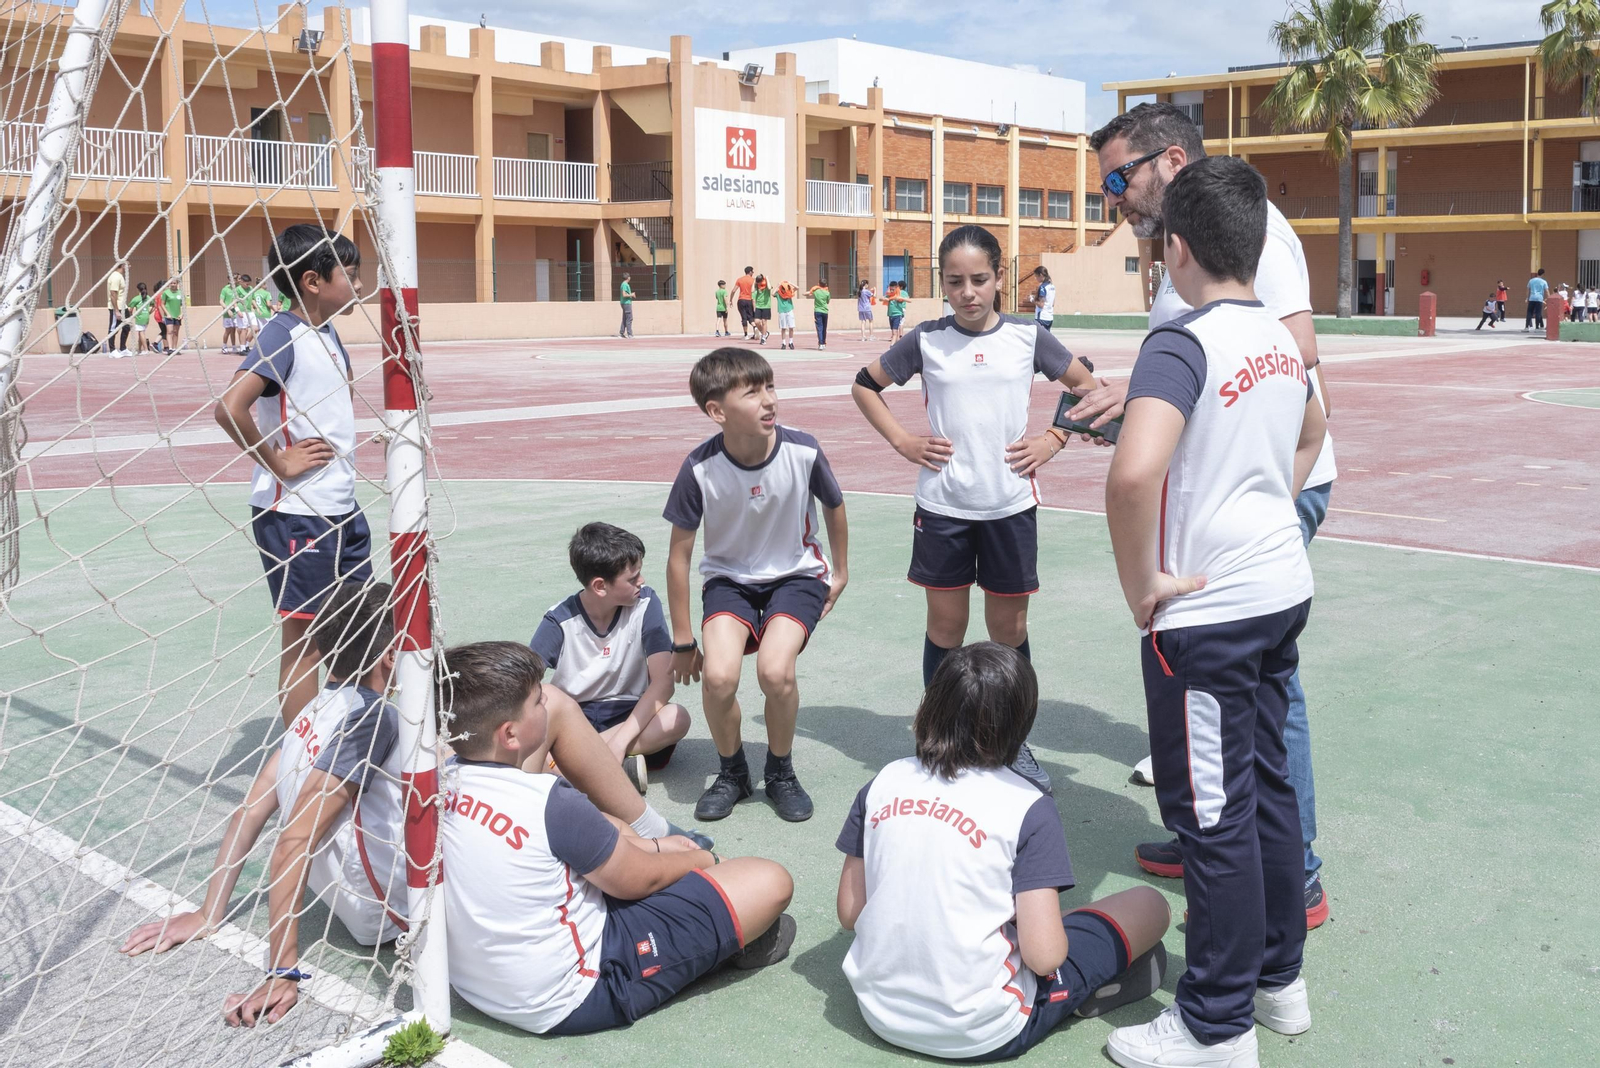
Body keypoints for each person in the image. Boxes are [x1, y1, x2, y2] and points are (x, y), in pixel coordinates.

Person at [1083, 102, 1338, 930]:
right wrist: (1148, 396)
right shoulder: (1185, 250)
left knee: (1265, 693)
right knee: (1253, 683)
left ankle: (1290, 879)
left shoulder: (1249, 226)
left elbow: (1295, 353)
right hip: (1247, 476)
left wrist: (1169, 399)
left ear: (1172, 160)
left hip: (1263, 487)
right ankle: (1221, 843)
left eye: (1121, 177)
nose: (1114, 198)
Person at [438, 641, 796, 1035]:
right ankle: (723, 945)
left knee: (619, 833)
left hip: (476, 986)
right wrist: (700, 861)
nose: (548, 702)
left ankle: (699, 899)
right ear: (510, 735)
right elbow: (640, 881)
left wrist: (653, 846)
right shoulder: (548, 802)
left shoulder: (439, 781)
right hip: (580, 989)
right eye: (538, 702)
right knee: (768, 880)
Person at [836, 642, 1172, 1061]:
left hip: (877, 1011)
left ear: (930, 705)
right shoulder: (1027, 804)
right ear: (1021, 724)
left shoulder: (884, 781)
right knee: (1149, 904)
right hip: (985, 1029)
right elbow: (1044, 956)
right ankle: (1082, 993)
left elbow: (850, 912)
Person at [851, 224, 1097, 793]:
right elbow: (865, 385)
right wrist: (903, 442)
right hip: (943, 507)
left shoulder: (1030, 338)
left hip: (1009, 505)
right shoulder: (925, 340)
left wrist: (1053, 440)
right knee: (947, 627)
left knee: (1008, 631)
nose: (968, 292)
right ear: (942, 283)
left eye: (980, 280)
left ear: (1000, 279)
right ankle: (941, 737)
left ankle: (1013, 741)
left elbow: (1088, 387)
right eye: (955, 281)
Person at [118, 582, 412, 1026]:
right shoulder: (375, 719)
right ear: (392, 655)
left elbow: (249, 810)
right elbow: (292, 843)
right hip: (387, 913)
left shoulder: (315, 707)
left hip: (343, 899)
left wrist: (208, 912)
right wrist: (281, 969)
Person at [664, 349, 849, 823]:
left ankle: (781, 771)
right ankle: (733, 773)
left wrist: (840, 570)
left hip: (796, 576)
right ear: (717, 411)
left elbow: (835, 505)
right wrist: (683, 639)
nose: (769, 400)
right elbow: (679, 557)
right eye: (753, 392)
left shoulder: (803, 450)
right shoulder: (699, 467)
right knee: (720, 677)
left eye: (770, 387)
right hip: (730, 582)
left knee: (774, 672)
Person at [213, 224, 369, 725]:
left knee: (355, 625)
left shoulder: (327, 333)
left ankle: (350, 733)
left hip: (340, 506)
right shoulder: (281, 334)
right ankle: (301, 758)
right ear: (312, 281)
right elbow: (229, 407)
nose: (360, 285)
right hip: (296, 514)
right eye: (350, 274)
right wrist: (280, 462)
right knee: (306, 640)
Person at [530, 522, 691, 794]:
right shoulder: (559, 619)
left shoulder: (645, 604)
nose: (642, 581)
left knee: (677, 717)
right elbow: (523, 683)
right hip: (573, 720)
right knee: (538, 704)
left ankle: (576, 770)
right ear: (600, 586)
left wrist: (618, 743)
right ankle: (614, 769)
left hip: (629, 717)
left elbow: (664, 683)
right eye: (632, 578)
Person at [105, 259, 129, 357]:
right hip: (116, 307)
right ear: (123, 266)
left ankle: (123, 348)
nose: (129, 267)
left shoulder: (120, 276)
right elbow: (113, 294)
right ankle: (112, 350)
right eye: (128, 265)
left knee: (127, 326)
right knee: (113, 328)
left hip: (124, 306)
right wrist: (116, 310)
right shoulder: (115, 277)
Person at [127, 282, 155, 354]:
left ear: (138, 290)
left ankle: (146, 349)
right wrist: (149, 313)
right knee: (141, 333)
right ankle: (139, 350)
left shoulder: (136, 298)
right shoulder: (149, 297)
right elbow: (154, 306)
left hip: (139, 318)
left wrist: (131, 315)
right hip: (146, 318)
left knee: (141, 333)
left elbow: (130, 309)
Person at [158, 278, 185, 352]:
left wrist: (182, 314)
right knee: (169, 331)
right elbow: (162, 304)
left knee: (176, 332)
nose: (173, 285)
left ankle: (174, 348)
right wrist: (167, 313)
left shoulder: (180, 293)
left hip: (177, 316)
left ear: (177, 284)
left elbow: (183, 305)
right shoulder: (166, 293)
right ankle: (170, 348)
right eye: (171, 283)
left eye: (174, 283)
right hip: (169, 316)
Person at [1029, 265, 1057, 331]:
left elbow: (1041, 304)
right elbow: (1052, 303)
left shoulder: (1042, 287)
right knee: (1047, 338)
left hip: (1042, 317)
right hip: (1049, 317)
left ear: (1041, 275)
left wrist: (1032, 299)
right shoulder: (1052, 286)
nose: (1036, 278)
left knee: (1039, 339)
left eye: (1036, 276)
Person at [219, 273, 241, 355]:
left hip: (236, 312)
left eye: (235, 279)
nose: (234, 281)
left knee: (234, 330)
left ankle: (234, 347)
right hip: (227, 313)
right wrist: (228, 310)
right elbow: (221, 301)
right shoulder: (225, 289)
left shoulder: (238, 289)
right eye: (232, 279)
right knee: (227, 330)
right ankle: (224, 347)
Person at [733, 266, 756, 339]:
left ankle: (746, 335)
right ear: (750, 272)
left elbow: (734, 290)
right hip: (750, 300)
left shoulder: (740, 279)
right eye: (752, 271)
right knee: (751, 317)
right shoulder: (754, 280)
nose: (753, 273)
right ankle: (755, 328)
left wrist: (730, 299)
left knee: (744, 317)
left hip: (741, 300)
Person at [809, 276, 831, 349]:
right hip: (825, 311)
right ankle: (823, 342)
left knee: (819, 328)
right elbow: (828, 302)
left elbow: (809, 293)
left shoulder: (816, 292)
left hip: (817, 311)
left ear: (819, 284)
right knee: (824, 328)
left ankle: (821, 343)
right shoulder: (827, 293)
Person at [775, 278, 798, 349]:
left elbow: (797, 288)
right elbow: (772, 293)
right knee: (783, 328)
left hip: (789, 311)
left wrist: (790, 283)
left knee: (791, 327)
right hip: (782, 311)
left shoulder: (789, 292)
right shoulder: (778, 294)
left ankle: (791, 342)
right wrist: (778, 286)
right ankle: (783, 343)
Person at [618, 272, 634, 339]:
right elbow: (624, 294)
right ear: (628, 278)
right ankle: (629, 334)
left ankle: (622, 333)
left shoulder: (624, 284)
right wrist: (631, 295)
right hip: (626, 303)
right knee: (629, 318)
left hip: (624, 303)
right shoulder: (625, 285)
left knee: (625, 318)